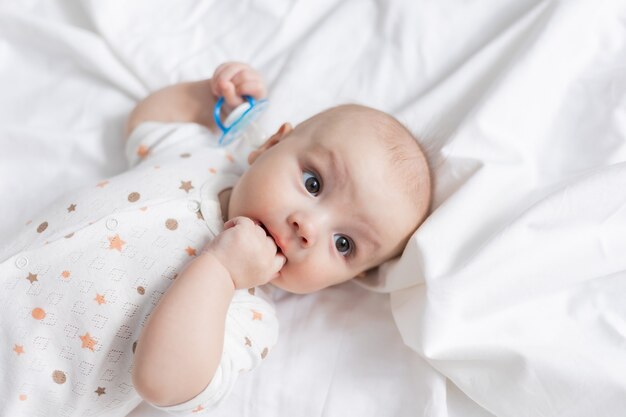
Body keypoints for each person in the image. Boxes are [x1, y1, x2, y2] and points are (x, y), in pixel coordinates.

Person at [0, 62, 431, 416]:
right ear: (269, 145)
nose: (308, 228)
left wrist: (222, 272)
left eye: (344, 245)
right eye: (314, 183)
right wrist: (206, 99)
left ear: (341, 281)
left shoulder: (245, 317)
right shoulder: (204, 159)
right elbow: (148, 122)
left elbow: (162, 384)